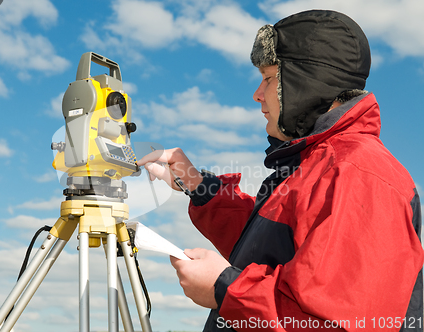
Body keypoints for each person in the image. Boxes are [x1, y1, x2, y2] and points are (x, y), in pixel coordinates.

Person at [138, 10, 423, 331]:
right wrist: (196, 184)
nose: (257, 94)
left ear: (306, 83)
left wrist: (224, 289)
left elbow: (338, 322)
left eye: (269, 78)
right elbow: (266, 249)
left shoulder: (359, 173)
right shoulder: (314, 164)